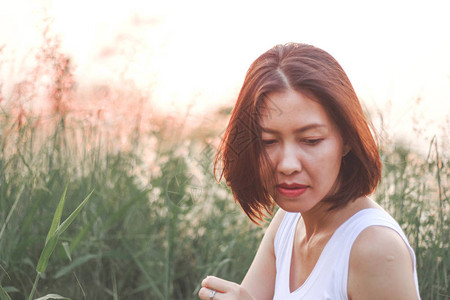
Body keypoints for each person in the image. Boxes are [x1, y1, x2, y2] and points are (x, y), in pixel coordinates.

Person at [198, 43, 421, 300]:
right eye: (269, 141)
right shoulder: (288, 222)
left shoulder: (375, 248)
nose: (287, 164)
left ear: (347, 140)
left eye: (311, 140)